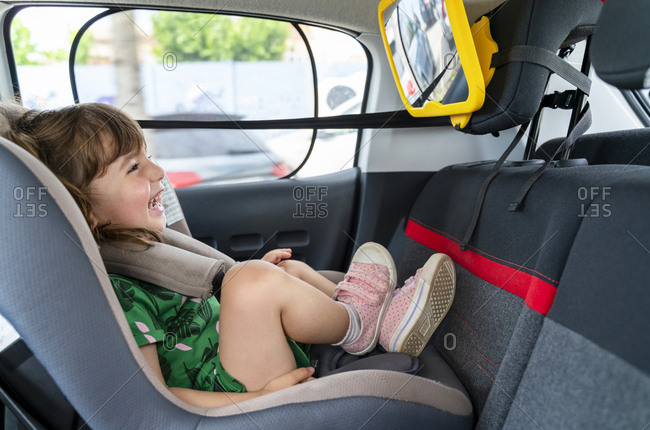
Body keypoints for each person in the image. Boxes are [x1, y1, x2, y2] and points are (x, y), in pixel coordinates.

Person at [0, 102, 456, 408]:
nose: (159, 172)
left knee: (287, 269)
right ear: (85, 208)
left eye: (149, 155)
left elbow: (201, 308)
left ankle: (371, 314)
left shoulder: (140, 249)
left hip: (234, 356)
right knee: (254, 282)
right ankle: (363, 328)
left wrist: (254, 286)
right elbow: (158, 400)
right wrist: (257, 398)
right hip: (234, 394)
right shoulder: (113, 292)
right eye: (134, 167)